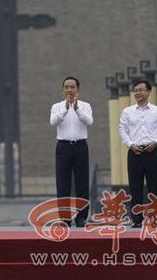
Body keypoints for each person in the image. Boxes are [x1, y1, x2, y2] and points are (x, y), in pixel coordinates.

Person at [118, 79, 157, 228]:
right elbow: (122, 130)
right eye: (136, 91)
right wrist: (130, 145)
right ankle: (137, 220)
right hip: (135, 152)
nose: (138, 93)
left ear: (149, 91)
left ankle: (155, 219)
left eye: (141, 90)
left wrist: (156, 142)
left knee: (154, 186)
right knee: (135, 187)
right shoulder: (127, 111)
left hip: (152, 151)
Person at [49, 77, 93, 228]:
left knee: (82, 183)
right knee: (63, 183)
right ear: (63, 89)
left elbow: (89, 121)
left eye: (72, 87)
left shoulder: (85, 106)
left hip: (80, 146)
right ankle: (65, 218)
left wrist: (77, 109)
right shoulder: (57, 106)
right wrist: (66, 109)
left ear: (78, 89)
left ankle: (81, 217)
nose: (69, 90)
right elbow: (53, 121)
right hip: (63, 147)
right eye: (66, 87)